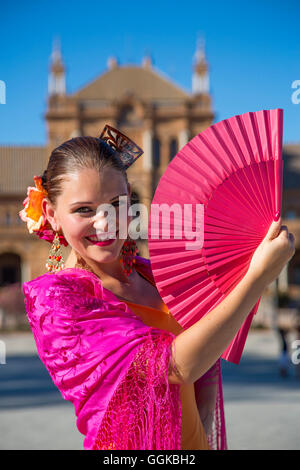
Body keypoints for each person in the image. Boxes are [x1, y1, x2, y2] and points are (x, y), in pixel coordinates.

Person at [19, 126, 295, 450]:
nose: (105, 222)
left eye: (116, 203)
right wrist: (259, 276)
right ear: (51, 214)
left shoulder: (155, 273)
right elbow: (175, 366)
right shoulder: (57, 302)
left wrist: (203, 421)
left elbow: (203, 351)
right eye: (84, 209)